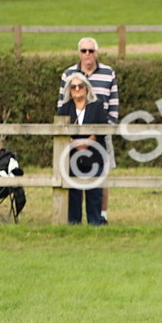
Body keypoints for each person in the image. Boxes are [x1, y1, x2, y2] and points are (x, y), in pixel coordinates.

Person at [59, 37, 118, 221]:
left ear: (96, 52)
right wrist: (75, 142)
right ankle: (73, 219)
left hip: (101, 131)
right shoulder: (68, 73)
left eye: (90, 51)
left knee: (102, 175)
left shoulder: (108, 73)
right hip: (73, 142)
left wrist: (104, 131)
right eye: (84, 51)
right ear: (79, 53)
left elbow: (114, 104)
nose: (87, 54)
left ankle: (101, 216)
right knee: (74, 182)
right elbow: (62, 107)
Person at [58, 72, 108, 226]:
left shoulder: (97, 106)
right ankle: (74, 224)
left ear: (86, 88)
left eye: (80, 86)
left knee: (94, 193)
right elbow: (60, 132)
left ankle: (95, 223)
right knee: (73, 193)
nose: (77, 89)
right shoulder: (65, 109)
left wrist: (88, 142)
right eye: (73, 87)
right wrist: (75, 144)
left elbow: (102, 129)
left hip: (94, 155)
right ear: (69, 90)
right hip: (72, 157)